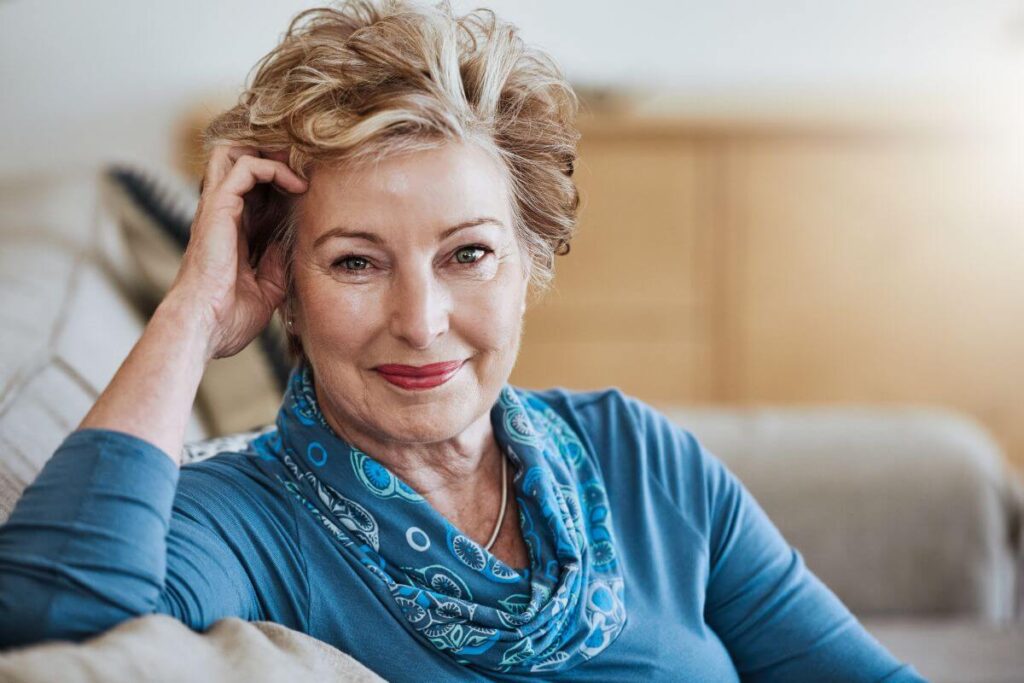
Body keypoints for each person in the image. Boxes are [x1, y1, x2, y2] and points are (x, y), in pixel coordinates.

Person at [0, 1, 925, 680]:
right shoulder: (245, 521)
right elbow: (51, 618)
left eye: (468, 254)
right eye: (357, 262)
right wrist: (194, 312)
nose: (422, 319)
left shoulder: (638, 457)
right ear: (280, 284)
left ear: (530, 263)